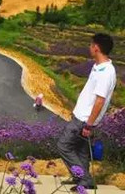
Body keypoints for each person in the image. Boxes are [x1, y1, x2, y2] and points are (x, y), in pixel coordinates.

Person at [57, 33, 117, 191]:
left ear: (96, 48)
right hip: (81, 116)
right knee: (81, 151)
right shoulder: (97, 66)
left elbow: (100, 100)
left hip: (84, 120)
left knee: (63, 146)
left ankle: (84, 178)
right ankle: (82, 180)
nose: (89, 47)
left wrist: (89, 124)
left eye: (91, 45)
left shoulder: (106, 72)